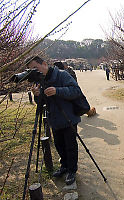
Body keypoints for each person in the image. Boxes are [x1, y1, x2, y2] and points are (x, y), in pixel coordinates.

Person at [28, 56, 81, 185]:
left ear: (44, 64)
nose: (34, 71)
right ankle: (64, 166)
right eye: (31, 70)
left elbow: (76, 91)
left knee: (70, 146)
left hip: (68, 117)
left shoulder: (62, 75)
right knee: (59, 144)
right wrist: (37, 95)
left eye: (35, 68)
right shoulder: (40, 81)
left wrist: (57, 91)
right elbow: (41, 104)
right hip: (54, 119)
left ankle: (72, 171)